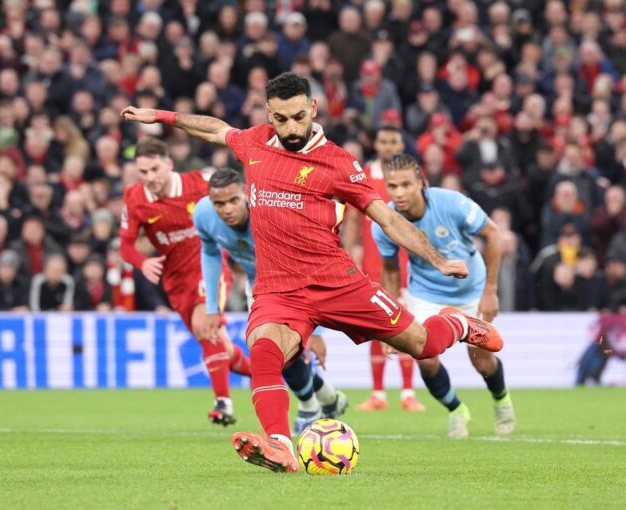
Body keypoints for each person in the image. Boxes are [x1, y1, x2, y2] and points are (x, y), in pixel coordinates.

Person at [121, 72, 503, 474]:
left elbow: (387, 219)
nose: (291, 128)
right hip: (278, 290)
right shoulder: (254, 143)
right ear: (269, 113)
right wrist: (160, 116)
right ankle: (280, 444)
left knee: (423, 345)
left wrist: (438, 259)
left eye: (298, 117)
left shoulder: (338, 163)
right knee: (265, 350)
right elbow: (216, 128)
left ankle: (457, 324)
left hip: (339, 282)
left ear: (313, 110)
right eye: (281, 119)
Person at [193, 167, 348, 435]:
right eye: (219, 203)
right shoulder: (203, 214)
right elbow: (210, 254)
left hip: (297, 279)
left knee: (286, 350)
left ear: (245, 193)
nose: (227, 209)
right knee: (275, 351)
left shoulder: (271, 212)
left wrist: (317, 329)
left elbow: (310, 259)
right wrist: (212, 308)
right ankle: (325, 400)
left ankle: (311, 408)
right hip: (261, 286)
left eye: (233, 201)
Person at [373, 155, 516, 438]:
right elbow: (389, 271)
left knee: (482, 361)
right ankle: (456, 410)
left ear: (421, 184)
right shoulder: (383, 222)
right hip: (426, 294)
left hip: (472, 291)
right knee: (425, 357)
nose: (399, 193)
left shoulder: (451, 203)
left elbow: (493, 233)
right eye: (392, 186)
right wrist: (387, 321)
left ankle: (501, 401)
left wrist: (490, 291)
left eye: (405, 185)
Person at [117, 137, 251, 426]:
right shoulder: (134, 199)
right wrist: (143, 262)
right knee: (220, 347)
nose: (149, 178)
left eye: (154, 169)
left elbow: (240, 193)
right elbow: (125, 247)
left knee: (207, 324)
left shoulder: (199, 182)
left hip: (210, 266)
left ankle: (223, 402)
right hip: (176, 282)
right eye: (143, 172)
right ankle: (271, 375)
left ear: (169, 164)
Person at [342, 125, 425, 413]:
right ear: (376, 144)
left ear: (401, 144)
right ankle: (378, 393)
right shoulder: (362, 175)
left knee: (406, 325)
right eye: (384, 140)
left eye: (394, 141)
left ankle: (407, 393)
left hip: (405, 263)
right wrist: (351, 250)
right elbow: (353, 218)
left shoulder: (409, 177)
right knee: (378, 327)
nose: (388, 145)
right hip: (373, 263)